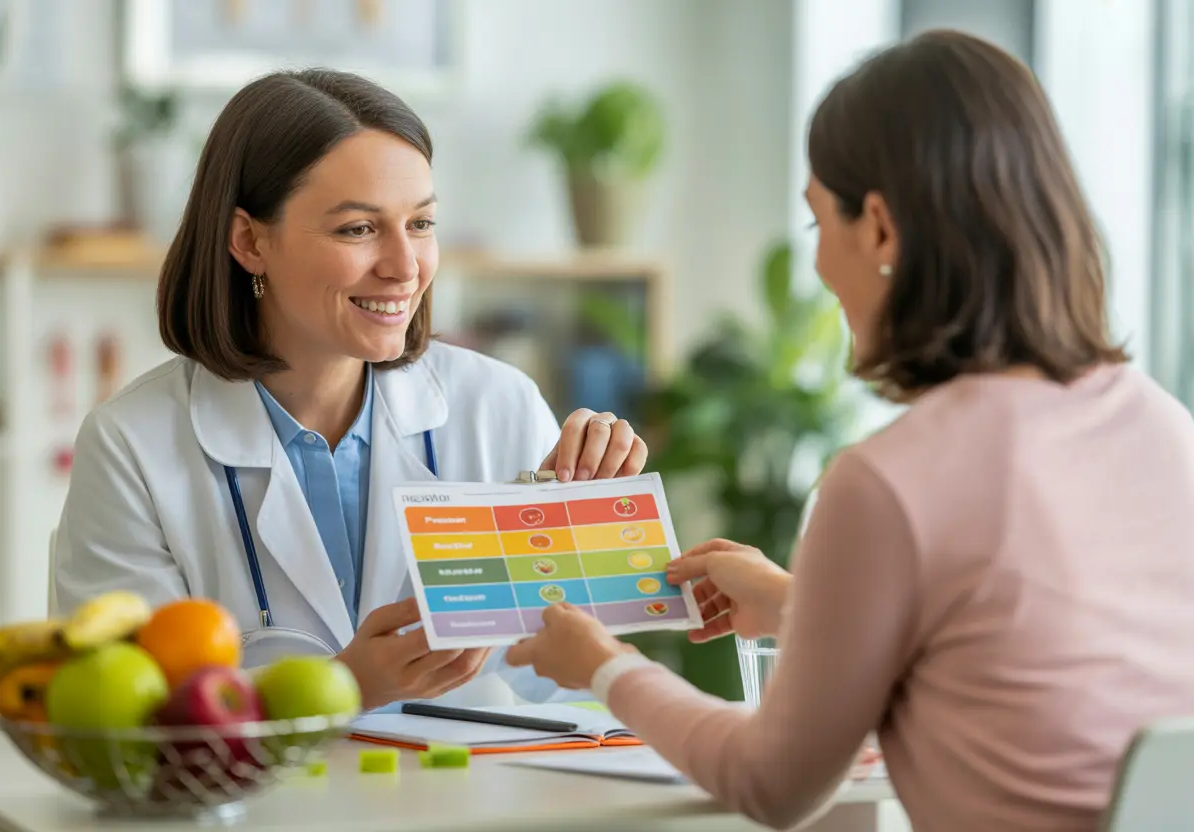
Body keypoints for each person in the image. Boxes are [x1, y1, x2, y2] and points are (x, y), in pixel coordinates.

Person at [506, 29, 1194, 832]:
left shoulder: (888, 481)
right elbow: (1016, 661)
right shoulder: (1161, 422)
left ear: (879, 228)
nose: (820, 267)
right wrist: (803, 605)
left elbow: (772, 784)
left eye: (815, 226)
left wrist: (603, 664)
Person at [52, 68, 648, 712]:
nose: (404, 266)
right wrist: (348, 688)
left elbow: (570, 682)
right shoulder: (131, 446)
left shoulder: (497, 406)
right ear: (249, 240)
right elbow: (126, 713)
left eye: (420, 224)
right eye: (357, 229)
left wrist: (587, 544)